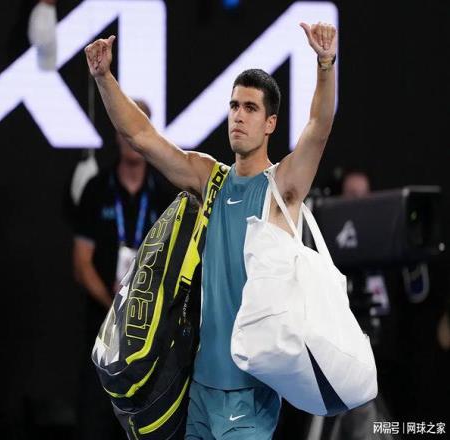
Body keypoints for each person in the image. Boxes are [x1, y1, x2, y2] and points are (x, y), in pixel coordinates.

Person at [84, 20, 337, 439]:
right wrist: (103, 77)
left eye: (250, 108)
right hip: (198, 389)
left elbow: (318, 129)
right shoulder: (209, 179)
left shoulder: (282, 188)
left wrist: (325, 64)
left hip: (250, 395)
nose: (238, 116)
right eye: (234, 106)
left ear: (271, 123)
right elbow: (141, 135)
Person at [72, 100, 172, 440]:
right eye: (125, 127)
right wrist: (113, 302)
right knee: (94, 426)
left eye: (138, 127)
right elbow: (81, 262)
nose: (131, 136)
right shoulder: (97, 189)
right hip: (101, 335)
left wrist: (139, 301)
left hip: (147, 341)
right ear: (116, 133)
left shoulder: (164, 196)